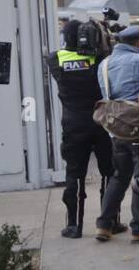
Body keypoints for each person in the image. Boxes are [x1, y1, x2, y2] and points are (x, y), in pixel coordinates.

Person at [48, 19, 115, 238]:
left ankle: (74, 226)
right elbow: (106, 54)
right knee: (108, 172)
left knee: (75, 173)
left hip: (73, 123)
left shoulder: (56, 59)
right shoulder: (99, 59)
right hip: (101, 121)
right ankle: (109, 221)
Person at [95, 25, 139, 243]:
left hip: (115, 129)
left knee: (119, 176)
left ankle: (104, 224)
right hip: (137, 128)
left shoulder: (104, 63)